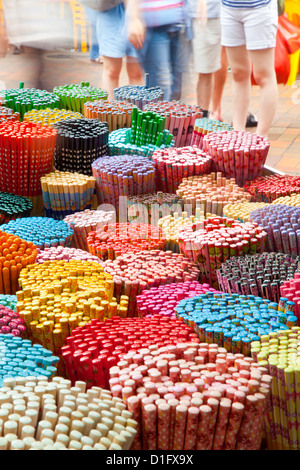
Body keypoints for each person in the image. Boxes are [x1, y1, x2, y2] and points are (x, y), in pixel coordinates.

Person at [220, 0, 278, 137]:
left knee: (263, 76)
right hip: (229, 7)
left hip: (260, 7)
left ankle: (261, 137)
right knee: (238, 73)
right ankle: (237, 133)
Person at [125, 0, 186, 101]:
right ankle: (157, 115)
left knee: (176, 86)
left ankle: (168, 115)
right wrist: (133, 17)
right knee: (160, 85)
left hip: (178, 20)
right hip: (152, 23)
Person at [96, 2, 144, 99]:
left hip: (140, 10)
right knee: (111, 71)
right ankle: (110, 112)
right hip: (111, 10)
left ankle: (136, 112)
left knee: (136, 72)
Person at [189, 0, 222, 118]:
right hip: (174, 13)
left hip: (208, 13)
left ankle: (202, 120)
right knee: (173, 74)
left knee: (206, 70)